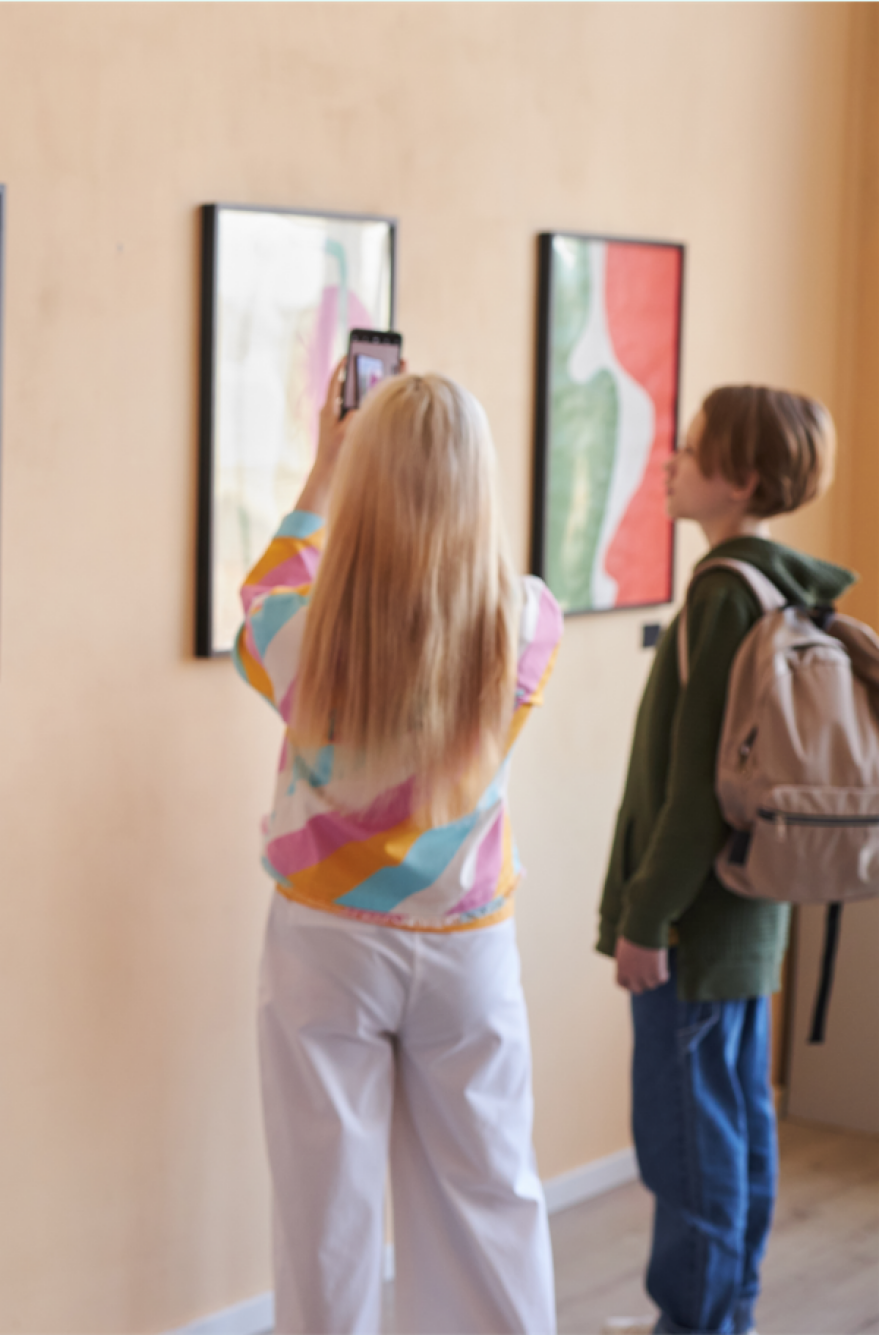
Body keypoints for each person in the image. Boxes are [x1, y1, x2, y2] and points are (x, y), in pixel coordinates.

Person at [237, 365, 562, 1334]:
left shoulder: (294, 630)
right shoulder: (527, 621)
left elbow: (263, 590)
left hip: (324, 943)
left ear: (365, 480)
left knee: (322, 1216)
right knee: (490, 1202)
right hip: (466, 940)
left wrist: (322, 469)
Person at [597, 386, 847, 1335]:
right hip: (751, 915)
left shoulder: (720, 594)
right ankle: (723, 1316)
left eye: (691, 450)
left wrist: (642, 919)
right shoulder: (783, 586)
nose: (671, 461)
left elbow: (696, 795)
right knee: (738, 1130)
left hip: (692, 927)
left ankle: (693, 1325)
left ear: (738, 479)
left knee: (687, 1147)